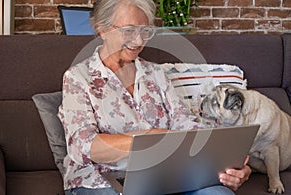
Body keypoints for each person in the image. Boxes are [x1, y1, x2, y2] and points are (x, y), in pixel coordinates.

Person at [58, 0, 252, 194]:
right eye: (129, 30)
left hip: (167, 174)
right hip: (102, 178)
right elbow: (82, 146)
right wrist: (147, 141)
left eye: (145, 31)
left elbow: (182, 122)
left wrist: (225, 160)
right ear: (102, 29)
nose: (139, 41)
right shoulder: (78, 77)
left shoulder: (156, 74)